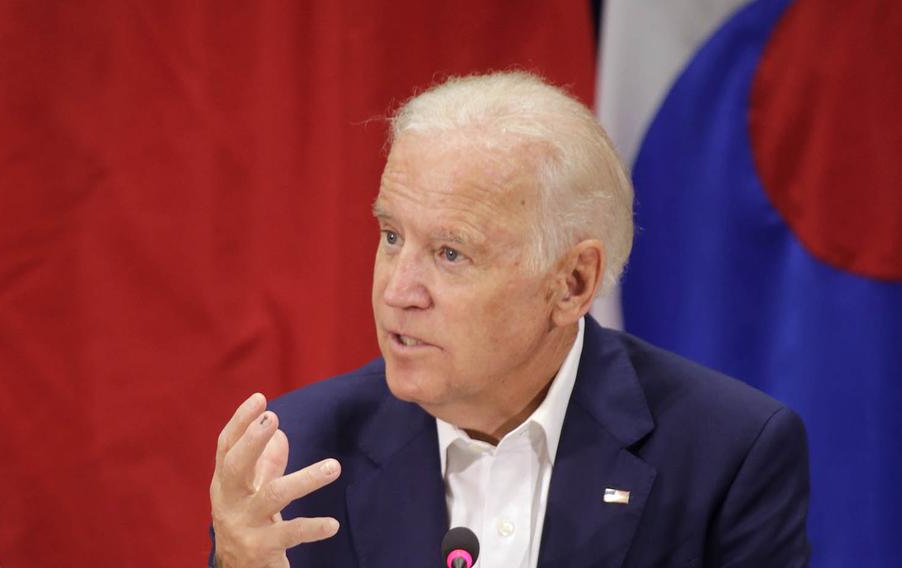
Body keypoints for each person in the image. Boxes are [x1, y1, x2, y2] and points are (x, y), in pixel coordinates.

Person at [209, 72, 810, 567]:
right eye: (391, 236)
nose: (398, 290)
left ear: (572, 283)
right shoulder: (298, 456)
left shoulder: (726, 455)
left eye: (451, 253)